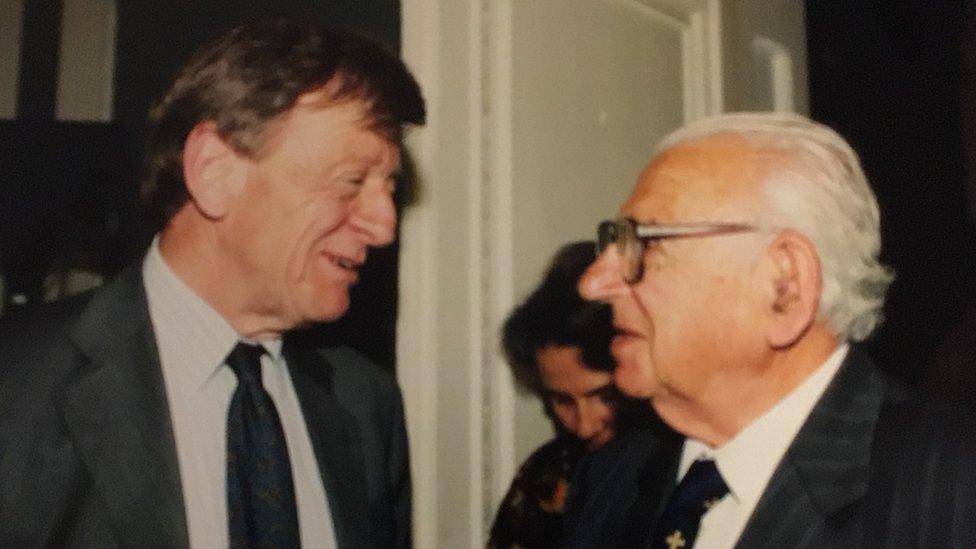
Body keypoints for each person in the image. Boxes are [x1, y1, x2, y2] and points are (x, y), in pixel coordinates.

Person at [0, 18, 424, 548]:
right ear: (214, 171)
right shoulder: (16, 382)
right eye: (352, 182)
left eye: (389, 188)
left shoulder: (367, 407)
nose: (384, 226)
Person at [563, 112, 976, 548]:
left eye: (641, 244)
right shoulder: (611, 479)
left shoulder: (952, 488)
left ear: (785, 287)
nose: (592, 283)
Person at [488, 241, 654, 548]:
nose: (585, 425)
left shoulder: (686, 464)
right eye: (563, 401)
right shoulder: (546, 476)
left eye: (605, 396)